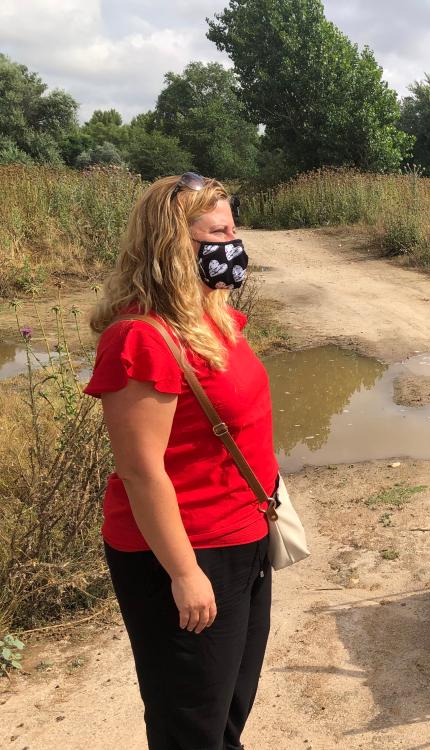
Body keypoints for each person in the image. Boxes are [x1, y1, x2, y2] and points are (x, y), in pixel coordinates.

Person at [84, 172, 278, 750]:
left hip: (245, 538)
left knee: (227, 711)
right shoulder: (140, 338)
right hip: (184, 554)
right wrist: (184, 573)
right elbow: (141, 471)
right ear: (174, 244)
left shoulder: (215, 319)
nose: (234, 247)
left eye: (234, 231)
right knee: (188, 724)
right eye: (218, 233)